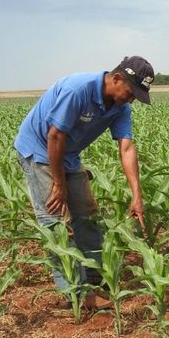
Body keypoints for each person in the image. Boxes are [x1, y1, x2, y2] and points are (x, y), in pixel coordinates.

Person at [14, 55, 154, 309]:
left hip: (67, 154)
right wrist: (59, 183)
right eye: (131, 92)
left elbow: (127, 148)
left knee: (87, 215)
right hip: (40, 149)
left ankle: (95, 277)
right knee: (56, 221)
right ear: (118, 78)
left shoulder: (121, 108)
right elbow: (54, 136)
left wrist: (137, 195)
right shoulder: (78, 89)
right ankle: (76, 294)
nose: (131, 99)